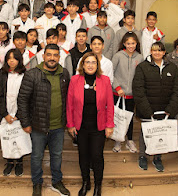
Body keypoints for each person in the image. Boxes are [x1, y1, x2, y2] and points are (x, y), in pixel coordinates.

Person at [17, 44, 71, 196]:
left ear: (59, 58)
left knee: (57, 155)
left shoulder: (64, 74)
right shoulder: (33, 74)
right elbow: (22, 100)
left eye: (55, 55)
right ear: (43, 56)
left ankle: (57, 181)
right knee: (36, 156)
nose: (52, 58)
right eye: (49, 55)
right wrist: (25, 122)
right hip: (38, 125)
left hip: (58, 125)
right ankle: (37, 182)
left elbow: (68, 98)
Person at [67, 52, 114, 196]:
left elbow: (110, 105)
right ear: (82, 64)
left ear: (97, 65)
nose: (90, 65)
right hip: (81, 126)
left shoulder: (104, 80)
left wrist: (110, 125)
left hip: (98, 126)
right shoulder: (75, 80)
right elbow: (69, 105)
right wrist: (70, 125)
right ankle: (86, 183)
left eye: (93, 62)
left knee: (97, 156)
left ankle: (98, 186)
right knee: (83, 156)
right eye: (87, 62)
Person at [132, 42, 178, 172]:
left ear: (164, 52)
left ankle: (157, 158)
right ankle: (143, 156)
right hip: (148, 110)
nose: (157, 53)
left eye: (160, 50)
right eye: (154, 50)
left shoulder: (172, 68)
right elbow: (138, 90)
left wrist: (170, 110)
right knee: (145, 134)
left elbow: (177, 90)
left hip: (165, 111)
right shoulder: (142, 67)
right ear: (151, 51)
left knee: (161, 134)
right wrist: (147, 111)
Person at [0, 49, 27, 176]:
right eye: (9, 58)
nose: (11, 60)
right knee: (7, 138)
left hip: (20, 113)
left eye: (14, 58)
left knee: (19, 138)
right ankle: (9, 162)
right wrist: (5, 114)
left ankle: (19, 162)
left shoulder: (25, 74)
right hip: (6, 112)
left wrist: (19, 114)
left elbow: (27, 96)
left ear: (19, 60)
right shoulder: (1, 74)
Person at [112, 32, 143, 153]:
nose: (131, 46)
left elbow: (141, 76)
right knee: (118, 118)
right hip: (118, 94)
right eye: (128, 43)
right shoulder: (118, 56)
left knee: (129, 118)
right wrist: (117, 87)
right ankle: (118, 140)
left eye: (133, 43)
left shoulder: (140, 57)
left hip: (132, 95)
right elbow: (111, 73)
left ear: (137, 44)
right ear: (124, 43)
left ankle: (130, 140)